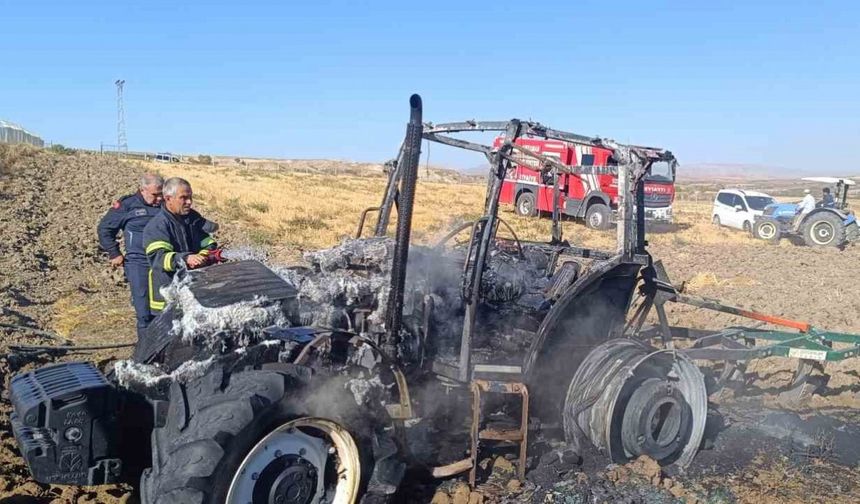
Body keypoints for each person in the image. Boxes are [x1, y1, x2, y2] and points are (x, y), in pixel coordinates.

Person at [97, 174, 164, 338]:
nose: (159, 198)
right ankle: (145, 347)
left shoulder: (166, 205)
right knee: (144, 312)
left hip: (163, 263)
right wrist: (114, 253)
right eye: (155, 194)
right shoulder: (127, 205)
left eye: (161, 194)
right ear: (142, 190)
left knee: (164, 311)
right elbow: (105, 229)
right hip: (138, 264)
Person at [142, 177, 218, 314]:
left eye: (190, 197)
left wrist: (204, 256)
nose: (189, 202)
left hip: (190, 290)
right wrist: (185, 259)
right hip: (167, 296)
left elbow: (208, 243)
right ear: (168, 198)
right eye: (183, 198)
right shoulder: (157, 226)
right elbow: (158, 258)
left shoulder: (191, 219)